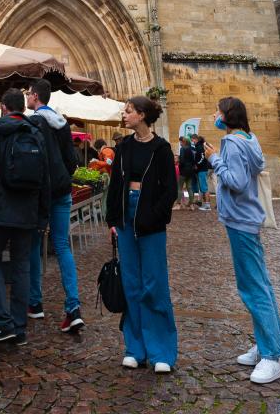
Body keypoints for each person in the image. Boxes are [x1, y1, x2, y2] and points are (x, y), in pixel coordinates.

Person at [204, 97, 280, 385]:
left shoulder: (232, 144)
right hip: (246, 219)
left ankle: (272, 355)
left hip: (240, 220)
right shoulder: (249, 138)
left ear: (227, 115)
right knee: (258, 284)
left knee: (253, 287)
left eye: (217, 111)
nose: (214, 115)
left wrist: (214, 159)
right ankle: (265, 344)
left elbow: (235, 182)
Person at [106, 95, 178, 373]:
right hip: (125, 218)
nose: (124, 115)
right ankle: (135, 348)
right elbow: (115, 184)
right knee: (131, 284)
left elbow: (169, 190)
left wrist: (154, 216)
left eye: (129, 111)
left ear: (143, 115)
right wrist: (113, 218)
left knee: (154, 284)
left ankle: (161, 352)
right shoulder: (123, 147)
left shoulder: (161, 148)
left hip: (150, 220)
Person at [0, 87, 50, 346]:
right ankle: (19, 328)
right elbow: (45, 178)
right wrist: (42, 214)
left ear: (4, 108)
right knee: (22, 267)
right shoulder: (36, 133)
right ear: (23, 107)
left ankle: (2, 323)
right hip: (27, 211)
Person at [27, 79, 83, 332]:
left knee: (35, 244)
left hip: (41, 193)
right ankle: (73, 307)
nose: (27, 98)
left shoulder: (34, 122)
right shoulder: (61, 123)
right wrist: (61, 178)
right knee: (62, 246)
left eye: (29, 94)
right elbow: (72, 160)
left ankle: (35, 304)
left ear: (36, 96)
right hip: (61, 190)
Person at [190, 133, 211, 210]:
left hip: (202, 169)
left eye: (192, 140)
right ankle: (205, 204)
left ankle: (207, 205)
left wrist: (196, 164)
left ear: (195, 139)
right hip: (201, 169)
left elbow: (202, 158)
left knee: (204, 188)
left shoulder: (199, 146)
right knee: (203, 188)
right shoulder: (198, 146)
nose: (192, 142)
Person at [177, 136, 196, 209]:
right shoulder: (191, 149)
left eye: (180, 142)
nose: (180, 143)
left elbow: (181, 160)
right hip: (191, 171)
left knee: (179, 187)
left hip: (183, 170)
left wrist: (179, 165)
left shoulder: (182, 149)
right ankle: (191, 205)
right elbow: (193, 161)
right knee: (189, 188)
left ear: (183, 142)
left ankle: (178, 205)